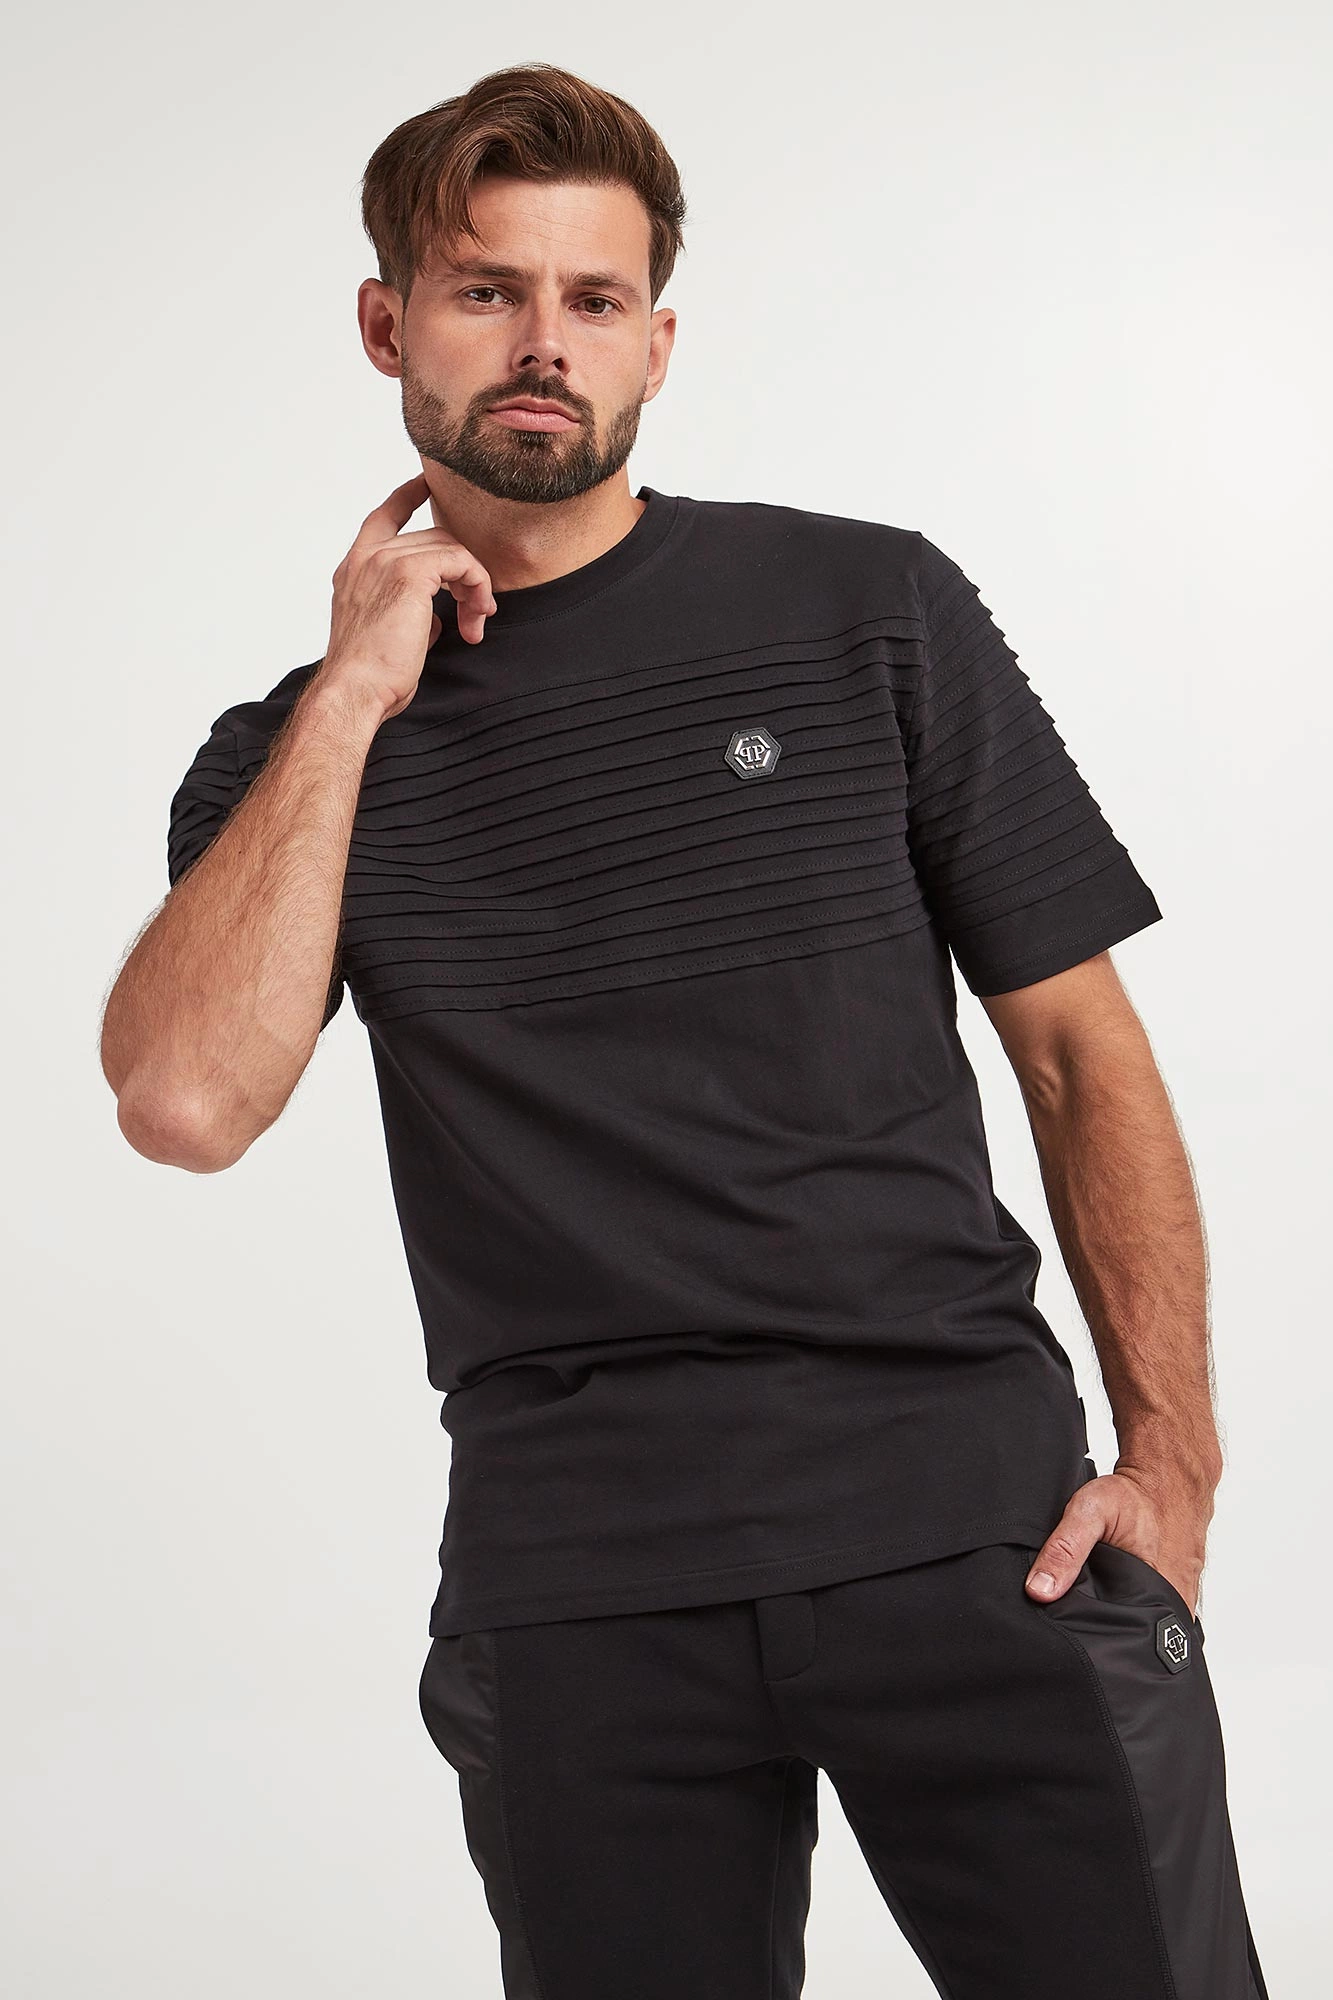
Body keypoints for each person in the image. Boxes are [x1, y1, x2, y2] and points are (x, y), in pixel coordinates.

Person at [100, 59, 1269, 2000]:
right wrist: (354, 691)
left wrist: (1177, 1459)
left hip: (975, 1530)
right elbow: (182, 1097)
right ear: (388, 326)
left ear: (657, 343)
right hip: (580, 1589)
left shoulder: (867, 607)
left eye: (594, 298)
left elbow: (1079, 1049)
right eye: (486, 291)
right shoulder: (294, 761)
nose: (541, 345)